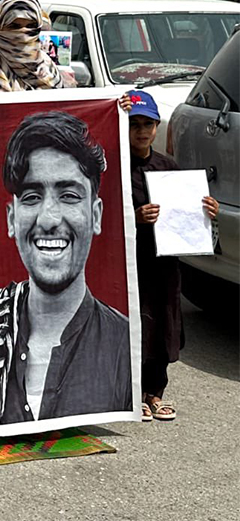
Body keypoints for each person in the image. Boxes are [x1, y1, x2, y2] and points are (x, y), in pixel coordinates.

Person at [0, 111, 131, 429]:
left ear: (96, 215)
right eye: (31, 197)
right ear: (11, 219)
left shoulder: (126, 345)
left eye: (70, 196)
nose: (48, 219)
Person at [125, 90, 219, 422]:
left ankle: (156, 393)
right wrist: (134, 217)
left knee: (163, 324)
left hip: (165, 265)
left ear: (156, 127)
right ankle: (133, 394)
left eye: (147, 124)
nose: (141, 131)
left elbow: (188, 212)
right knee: (137, 325)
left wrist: (208, 210)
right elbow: (103, 215)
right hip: (133, 263)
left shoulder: (168, 167)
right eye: (134, 124)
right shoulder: (117, 169)